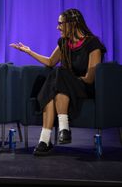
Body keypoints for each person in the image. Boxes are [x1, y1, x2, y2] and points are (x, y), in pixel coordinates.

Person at [10, 8, 106, 156]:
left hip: (84, 87)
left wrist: (69, 79)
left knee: (60, 74)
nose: (57, 27)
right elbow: (50, 62)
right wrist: (29, 51)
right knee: (57, 84)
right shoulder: (63, 42)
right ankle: (54, 135)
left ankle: (49, 136)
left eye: (61, 23)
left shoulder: (92, 44)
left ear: (73, 23)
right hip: (64, 87)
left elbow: (90, 78)